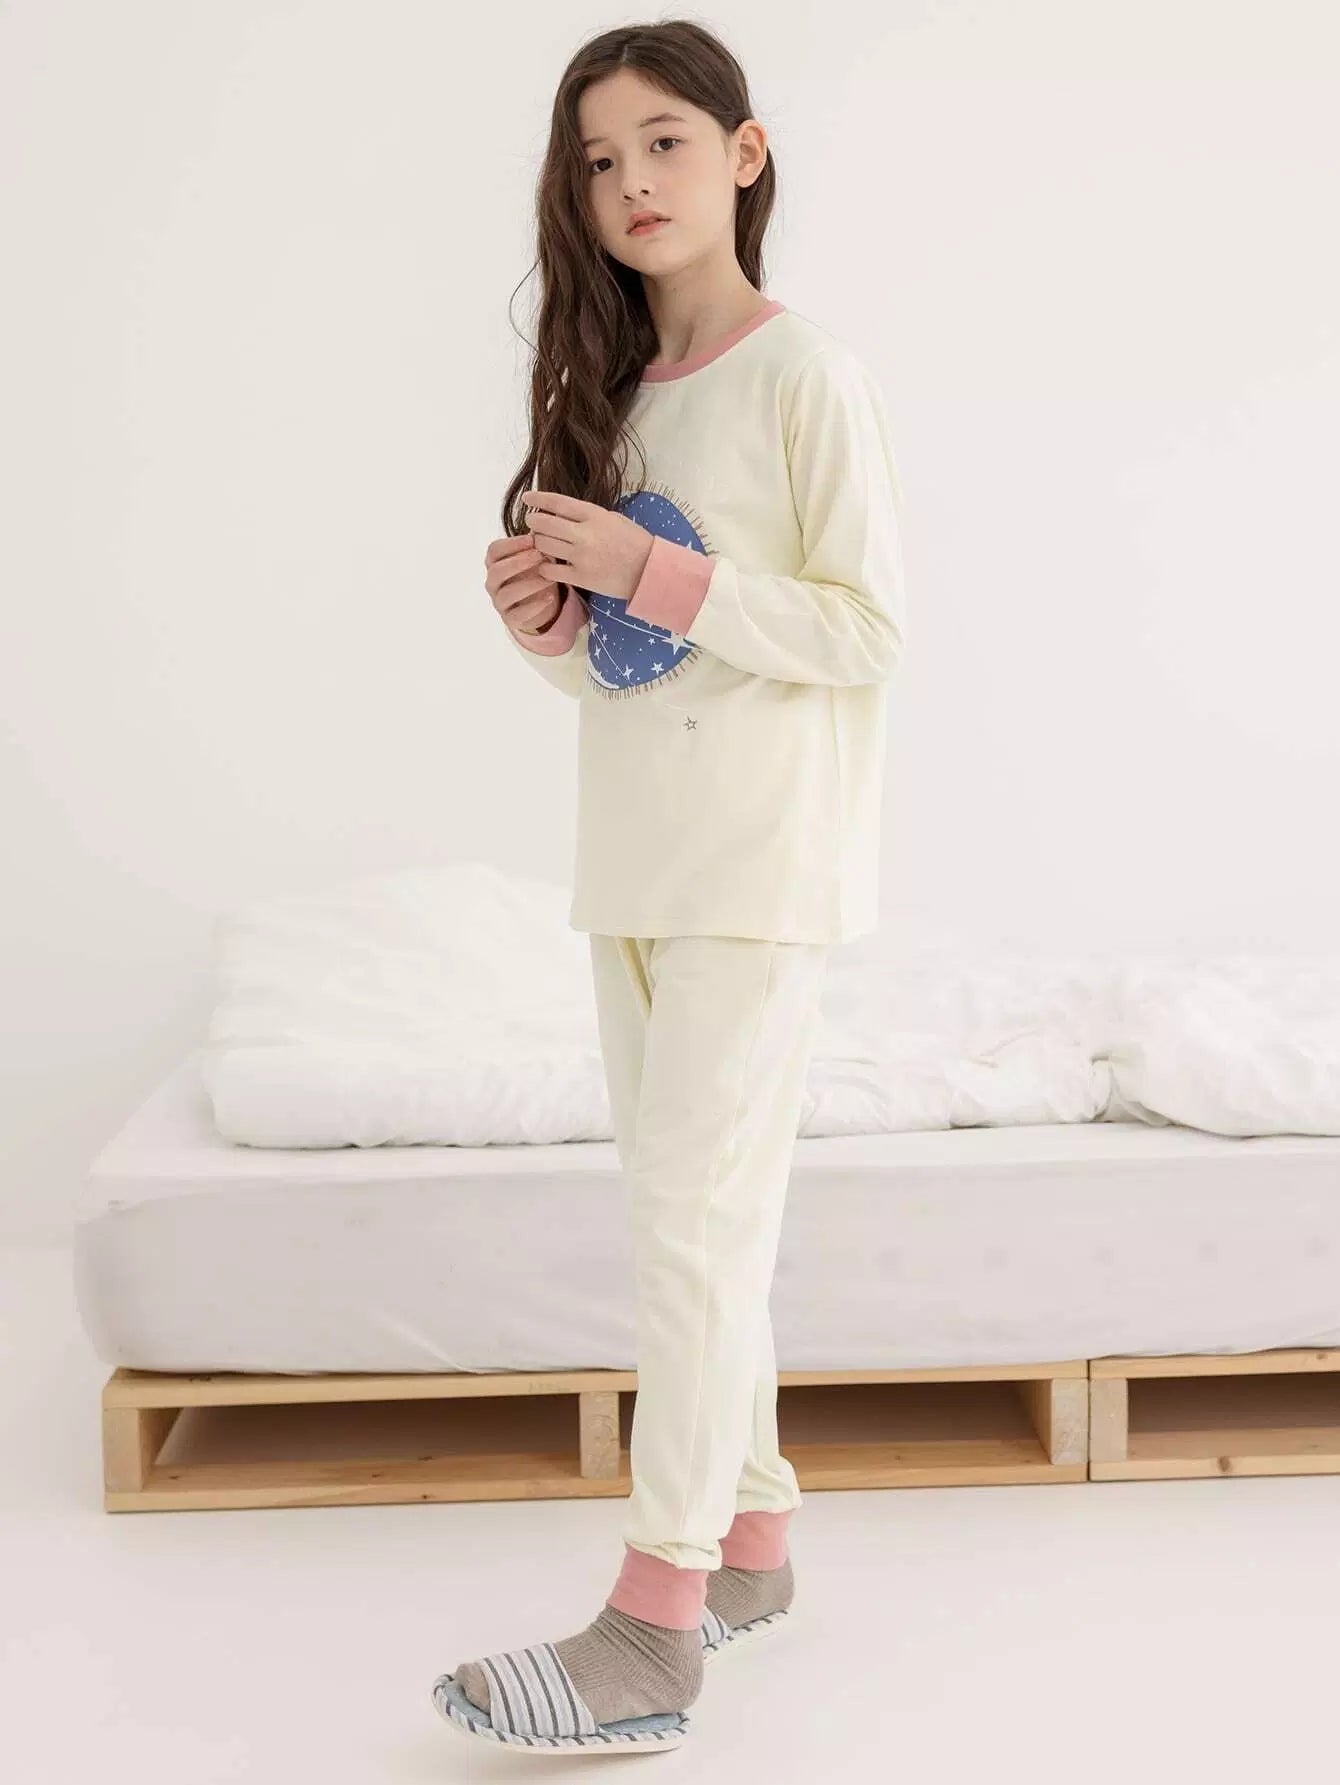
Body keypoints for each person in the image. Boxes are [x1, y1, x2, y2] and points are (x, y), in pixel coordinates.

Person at [433, 16, 907, 1757]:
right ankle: (753, 1545)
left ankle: (657, 1618)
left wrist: (656, 572)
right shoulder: (620, 396)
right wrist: (555, 632)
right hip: (632, 860)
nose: (630, 180)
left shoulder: (806, 376)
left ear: (744, 155)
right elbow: (641, 673)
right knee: (692, 1226)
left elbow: (868, 631)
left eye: (664, 143)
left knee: (693, 1239)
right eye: (599, 159)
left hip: (758, 871)